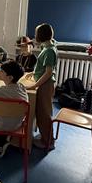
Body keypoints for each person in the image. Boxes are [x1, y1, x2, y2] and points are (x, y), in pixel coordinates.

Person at [26, 23, 58, 151]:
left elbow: (48, 72)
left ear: (41, 35)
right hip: (44, 84)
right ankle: (46, 137)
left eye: (36, 33)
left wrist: (35, 85)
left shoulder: (49, 50)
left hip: (45, 85)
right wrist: (33, 73)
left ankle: (48, 142)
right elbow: (43, 67)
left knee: (44, 114)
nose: (35, 35)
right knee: (42, 112)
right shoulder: (48, 46)